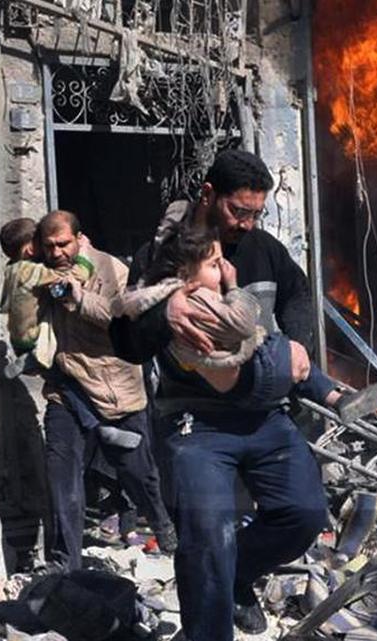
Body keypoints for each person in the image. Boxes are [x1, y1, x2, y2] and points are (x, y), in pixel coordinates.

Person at [109, 150, 329, 640]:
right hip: (195, 424)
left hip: (265, 418)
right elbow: (123, 341)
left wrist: (298, 342)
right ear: (209, 195)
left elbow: (298, 294)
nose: (247, 224)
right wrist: (160, 317)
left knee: (306, 513)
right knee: (207, 536)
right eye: (238, 211)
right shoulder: (161, 255)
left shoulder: (265, 250)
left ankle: (238, 575)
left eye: (256, 213)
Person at [116, 223, 377, 418]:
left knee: (295, 359)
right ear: (187, 273)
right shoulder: (198, 299)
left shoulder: (170, 297)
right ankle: (336, 399)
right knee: (292, 353)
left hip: (232, 375)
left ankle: (337, 399)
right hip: (245, 371)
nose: (224, 270)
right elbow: (243, 322)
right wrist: (235, 288)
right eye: (215, 265)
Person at [37, 210, 177, 570]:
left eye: (62, 244)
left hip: (116, 392)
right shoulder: (44, 271)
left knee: (138, 474)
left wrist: (79, 297)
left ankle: (163, 528)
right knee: (61, 477)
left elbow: (121, 319)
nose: (56, 253)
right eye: (49, 246)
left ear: (79, 239)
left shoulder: (111, 269)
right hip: (67, 390)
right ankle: (64, 565)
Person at [0, 218, 142, 450]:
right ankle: (99, 427)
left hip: (23, 339)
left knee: (64, 384)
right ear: (30, 249)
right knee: (67, 384)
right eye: (43, 243)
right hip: (37, 342)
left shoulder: (12, 269)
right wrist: (83, 250)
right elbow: (76, 278)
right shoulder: (31, 271)